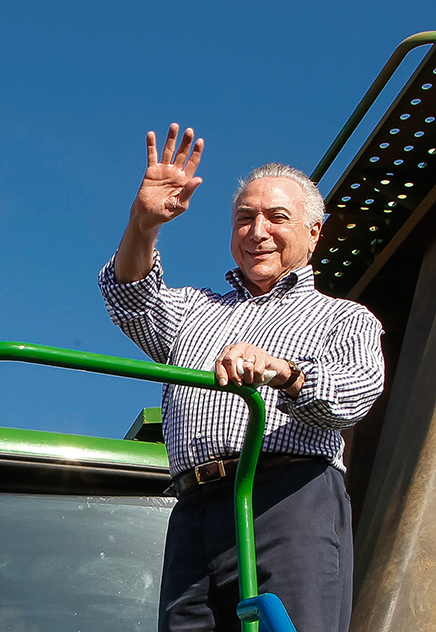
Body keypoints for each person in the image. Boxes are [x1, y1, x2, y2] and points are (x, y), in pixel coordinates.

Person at [98, 124, 385, 632]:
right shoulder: (193, 310)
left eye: (277, 217)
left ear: (314, 232)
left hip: (289, 499)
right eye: (244, 218)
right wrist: (142, 225)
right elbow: (130, 299)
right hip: (193, 507)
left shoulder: (343, 317)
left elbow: (355, 394)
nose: (258, 231)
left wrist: (283, 371)